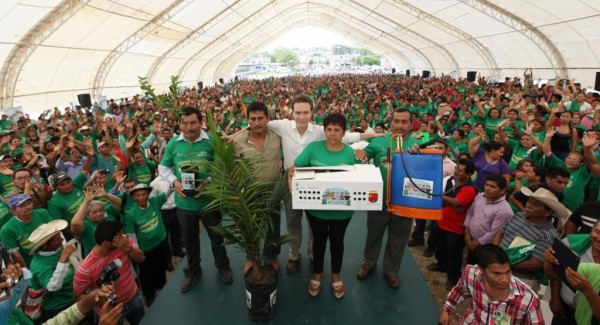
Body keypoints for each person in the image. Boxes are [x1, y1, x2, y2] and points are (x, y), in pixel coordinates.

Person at [266, 94, 377, 274]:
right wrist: (233, 135)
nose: (302, 117)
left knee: (313, 223)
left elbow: (348, 136)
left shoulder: (319, 130)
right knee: (293, 222)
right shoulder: (282, 126)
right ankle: (294, 255)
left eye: (306, 112)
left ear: (312, 113)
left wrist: (376, 134)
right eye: (298, 112)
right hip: (290, 180)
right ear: (291, 113)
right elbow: (257, 123)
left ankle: (312, 254)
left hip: (314, 183)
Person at [158, 106, 233, 292]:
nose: (189, 127)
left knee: (217, 237)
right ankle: (193, 270)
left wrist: (207, 182)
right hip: (184, 204)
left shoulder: (211, 141)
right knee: (190, 240)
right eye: (185, 123)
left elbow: (221, 167)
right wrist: (175, 182)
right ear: (180, 124)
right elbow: (164, 168)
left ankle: (223, 265)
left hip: (210, 201)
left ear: (201, 122)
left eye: (193, 123)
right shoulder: (174, 143)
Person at [288, 113, 356, 299]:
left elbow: (360, 178)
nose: (332, 134)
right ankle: (317, 273)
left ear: (344, 133)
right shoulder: (313, 148)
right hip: (316, 209)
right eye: (329, 129)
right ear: (324, 130)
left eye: (337, 130)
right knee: (318, 241)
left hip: (342, 211)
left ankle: (336, 275)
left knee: (337, 242)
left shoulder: (351, 153)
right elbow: (295, 167)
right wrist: (291, 177)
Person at [354, 108, 421, 288]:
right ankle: (368, 263)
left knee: (398, 239)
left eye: (404, 122)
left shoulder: (418, 144)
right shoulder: (379, 140)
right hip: (379, 201)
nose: (399, 125)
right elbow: (367, 151)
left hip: (405, 203)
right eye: (396, 121)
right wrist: (363, 154)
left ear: (411, 124)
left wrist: (423, 155)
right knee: (373, 235)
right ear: (391, 123)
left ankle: (391, 270)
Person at [439, 244, 544, 325]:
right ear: (481, 270)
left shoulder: (528, 299)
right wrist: (447, 310)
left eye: (508, 272)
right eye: (497, 273)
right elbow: (460, 291)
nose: (504, 279)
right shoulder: (471, 273)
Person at [232, 102, 282, 272]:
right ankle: (251, 257)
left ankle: (271, 256)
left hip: (273, 191)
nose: (257, 122)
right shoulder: (238, 141)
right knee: (250, 227)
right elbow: (233, 167)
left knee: (273, 227)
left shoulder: (277, 136)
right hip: (250, 193)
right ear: (248, 121)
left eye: (261, 118)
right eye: (253, 119)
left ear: (268, 119)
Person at [494, 187, 568, 292]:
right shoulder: (519, 216)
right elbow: (500, 232)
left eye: (536, 204)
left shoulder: (549, 234)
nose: (529, 205)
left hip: (520, 279)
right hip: (496, 266)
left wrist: (501, 265)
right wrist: (494, 252)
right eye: (529, 201)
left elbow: (535, 264)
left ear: (548, 212)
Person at [73, 220, 146, 324]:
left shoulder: (124, 243)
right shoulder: (85, 269)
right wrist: (98, 298)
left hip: (133, 299)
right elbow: (78, 297)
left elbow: (141, 258)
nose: (123, 238)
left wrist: (129, 249)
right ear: (106, 243)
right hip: (109, 312)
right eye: (119, 237)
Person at [428, 159, 477, 291]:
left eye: (460, 170)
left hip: (455, 228)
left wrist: (440, 196)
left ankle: (453, 279)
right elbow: (455, 204)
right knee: (440, 248)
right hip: (441, 221)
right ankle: (441, 265)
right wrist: (451, 202)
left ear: (469, 174)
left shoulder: (470, 189)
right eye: (456, 168)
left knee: (454, 256)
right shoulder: (450, 181)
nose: (456, 171)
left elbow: (457, 204)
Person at [543, 219, 600, 325]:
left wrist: (587, 290)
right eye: (597, 231)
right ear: (591, 230)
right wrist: (555, 298)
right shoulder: (571, 243)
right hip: (565, 309)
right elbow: (553, 274)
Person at [123, 183, 169, 306]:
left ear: (148, 194)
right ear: (133, 198)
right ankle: (149, 295)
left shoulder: (155, 201)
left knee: (161, 264)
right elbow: (131, 234)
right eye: (138, 195)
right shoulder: (131, 214)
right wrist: (137, 250)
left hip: (161, 241)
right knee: (146, 273)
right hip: (146, 248)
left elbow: (169, 191)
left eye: (144, 194)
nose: (142, 197)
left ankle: (162, 284)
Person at [28, 220, 77, 322]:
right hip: (58, 307)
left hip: (73, 296)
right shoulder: (38, 265)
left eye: (59, 235)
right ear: (46, 245)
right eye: (57, 238)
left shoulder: (56, 248)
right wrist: (62, 259)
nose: (62, 239)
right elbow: (53, 287)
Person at [463, 174, 514, 265]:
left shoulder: (504, 210)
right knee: (470, 268)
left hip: (486, 249)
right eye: (486, 185)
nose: (487, 188)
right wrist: (467, 236)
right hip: (471, 242)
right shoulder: (480, 196)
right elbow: (470, 214)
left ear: (502, 191)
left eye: (492, 187)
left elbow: (493, 232)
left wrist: (475, 243)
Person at [0, 194, 53, 267]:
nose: (28, 207)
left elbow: (55, 232)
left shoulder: (43, 213)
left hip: (54, 254)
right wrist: (28, 271)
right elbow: (16, 254)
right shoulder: (6, 230)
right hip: (35, 264)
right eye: (22, 206)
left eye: (29, 203)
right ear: (13, 211)